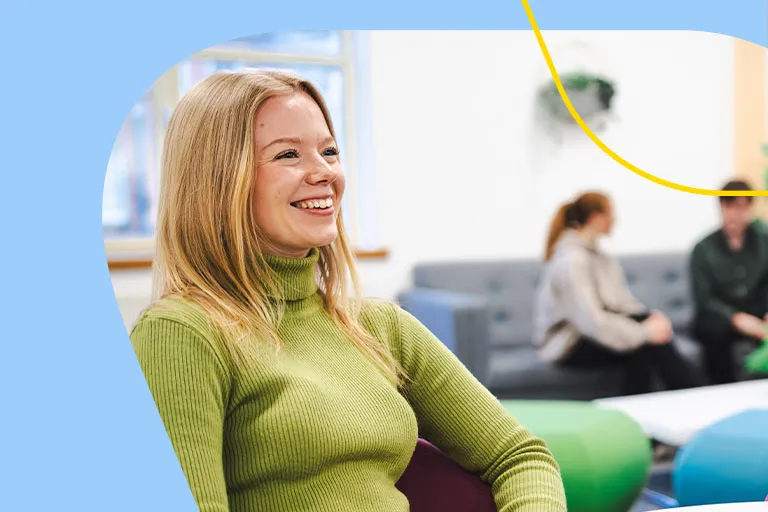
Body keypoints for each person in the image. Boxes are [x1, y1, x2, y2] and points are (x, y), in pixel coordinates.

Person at [130, 68, 566, 512]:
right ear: (217, 179)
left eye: (329, 151)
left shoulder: (379, 325)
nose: (325, 172)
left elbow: (519, 455)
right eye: (287, 155)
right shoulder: (180, 333)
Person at [533, 192, 700, 396]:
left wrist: (652, 318)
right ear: (596, 218)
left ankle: (681, 396)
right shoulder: (571, 261)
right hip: (569, 342)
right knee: (642, 347)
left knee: (648, 336)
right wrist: (644, 333)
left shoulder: (602, 257)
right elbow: (590, 321)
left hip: (594, 331)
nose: (615, 219)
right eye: (611, 213)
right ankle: (692, 393)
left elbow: (621, 303)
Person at [689, 179, 768, 384]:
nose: (736, 214)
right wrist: (735, 318)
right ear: (721, 207)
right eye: (731, 207)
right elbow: (704, 299)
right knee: (714, 332)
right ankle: (721, 390)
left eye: (742, 207)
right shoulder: (703, 249)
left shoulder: (763, 241)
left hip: (755, 313)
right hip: (720, 317)